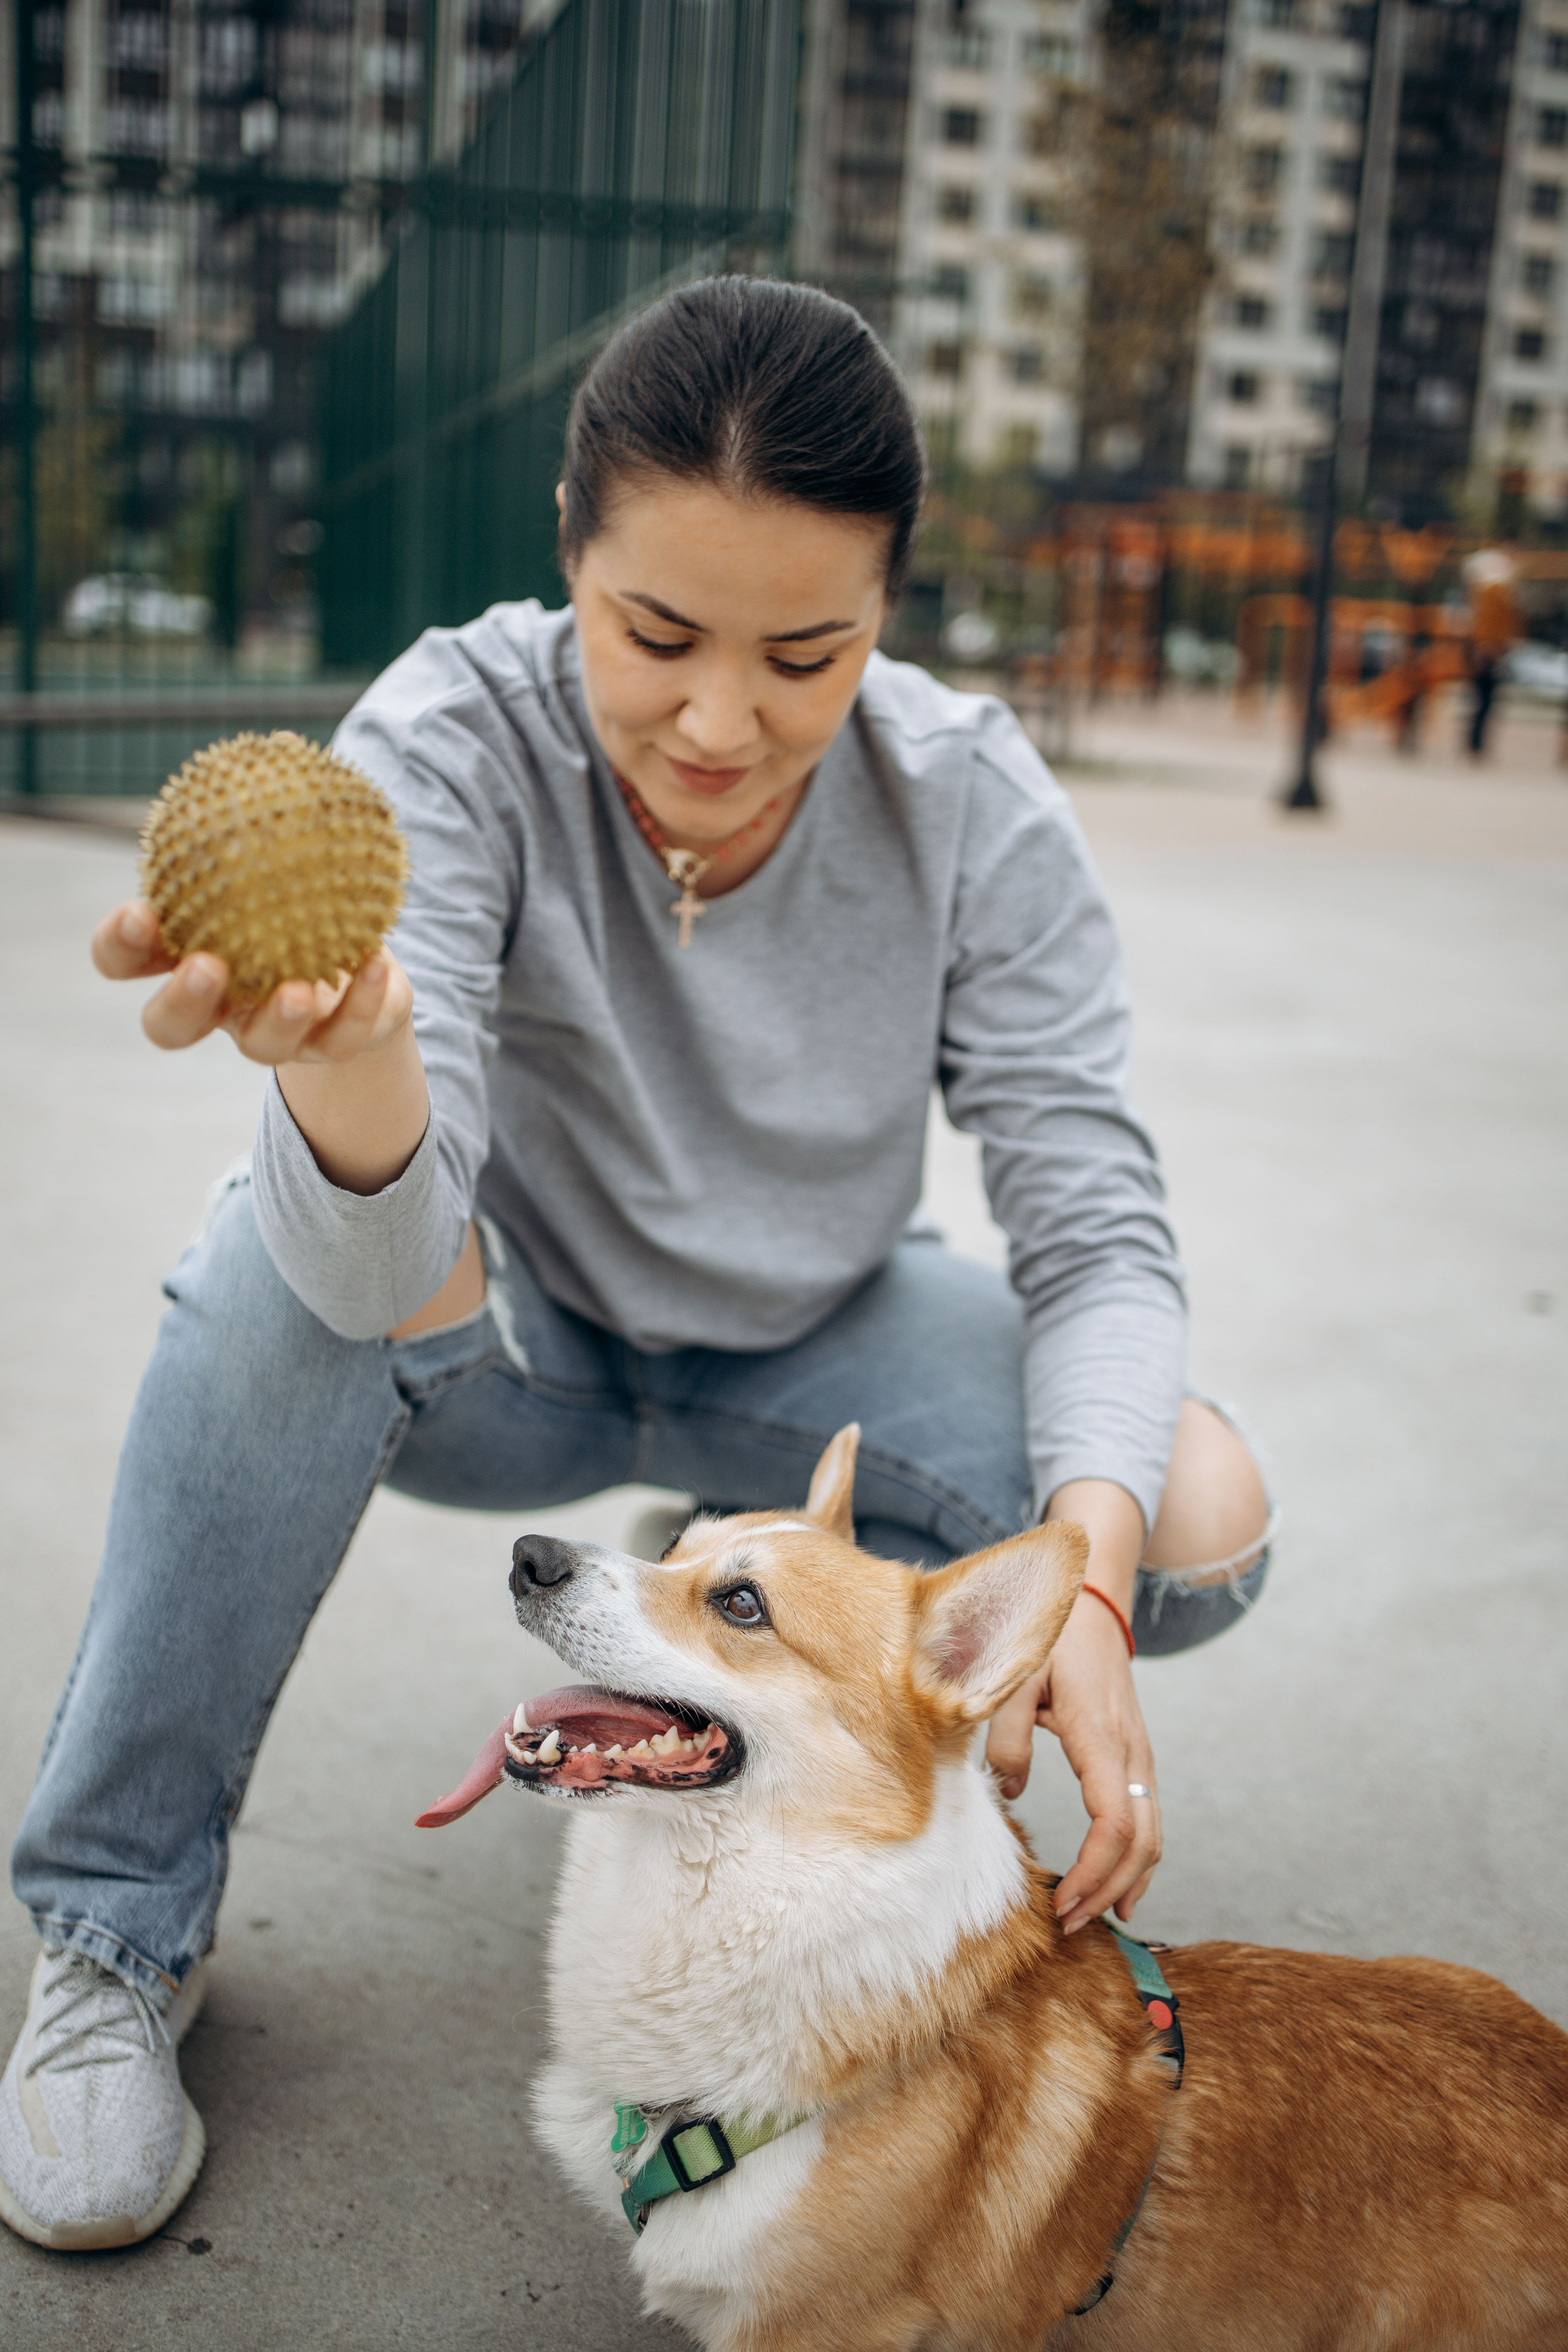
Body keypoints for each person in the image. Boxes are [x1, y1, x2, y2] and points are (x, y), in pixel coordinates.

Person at [0, 277, 1272, 2252]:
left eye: (807, 651)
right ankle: (110, 1925)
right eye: (654, 632)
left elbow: (1093, 1216)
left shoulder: (969, 796)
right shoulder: (449, 736)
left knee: (1188, 1515)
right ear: (567, 555)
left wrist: (1082, 1584)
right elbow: (371, 1276)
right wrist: (352, 1068)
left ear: (888, 612)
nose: (718, 718)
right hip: (497, 1328)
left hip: (813, 1342)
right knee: (268, 1258)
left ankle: (736, 1569)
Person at [1463, 541, 1523, 758]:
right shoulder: (1496, 590)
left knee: (1482, 699)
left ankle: (1475, 743)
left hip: (1487, 647)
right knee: (1484, 699)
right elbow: (1491, 623)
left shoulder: (1490, 589)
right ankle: (1476, 743)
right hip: (1488, 649)